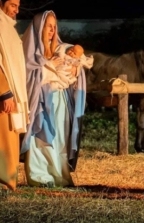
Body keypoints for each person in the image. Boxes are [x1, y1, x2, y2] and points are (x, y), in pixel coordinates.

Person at [21, 10, 87, 187]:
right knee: (40, 137)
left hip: (61, 101)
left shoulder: (61, 48)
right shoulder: (31, 53)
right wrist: (48, 66)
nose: (51, 30)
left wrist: (75, 69)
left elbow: (77, 58)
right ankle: (40, 175)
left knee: (60, 138)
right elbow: (28, 75)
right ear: (39, 27)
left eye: (54, 26)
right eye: (48, 26)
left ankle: (60, 175)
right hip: (41, 101)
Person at [0, 0, 29, 193]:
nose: (16, 10)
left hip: (12, 96)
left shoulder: (8, 27)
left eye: (18, 6)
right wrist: (4, 91)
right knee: (3, 141)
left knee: (10, 140)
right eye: (12, 5)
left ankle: (8, 183)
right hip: (4, 95)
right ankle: (3, 183)